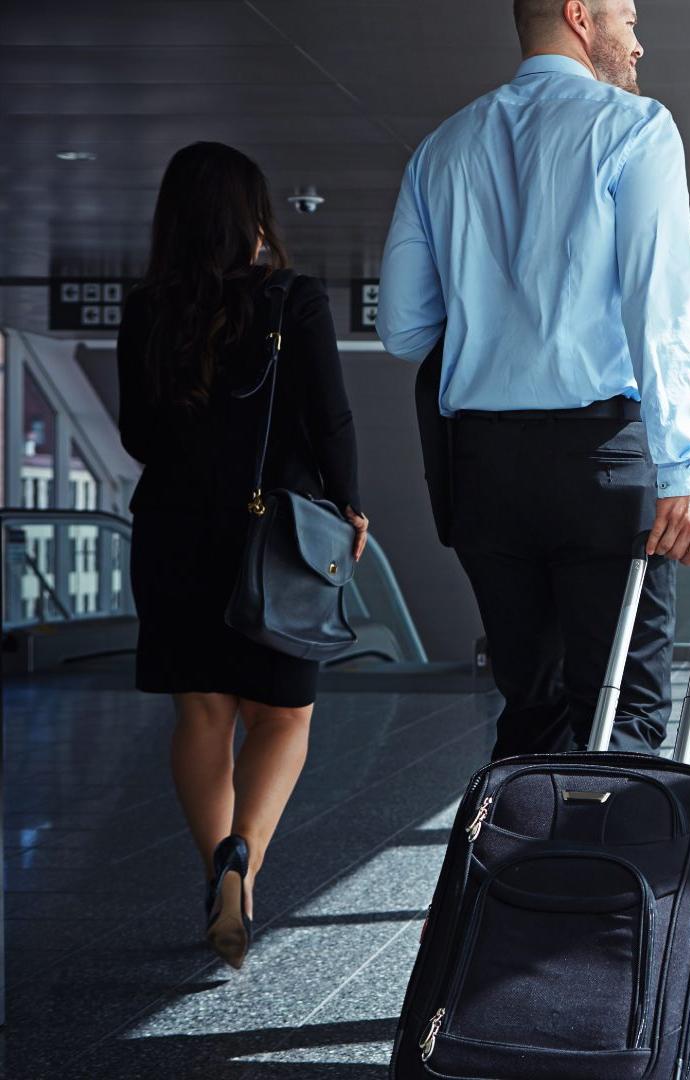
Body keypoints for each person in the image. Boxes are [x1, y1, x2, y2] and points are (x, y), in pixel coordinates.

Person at [375, 0, 690, 759]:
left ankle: (524, 873)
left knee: (531, 708)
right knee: (621, 712)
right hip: (602, 462)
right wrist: (684, 465)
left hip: (485, 474)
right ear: (579, 17)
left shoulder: (441, 147)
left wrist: (491, 314)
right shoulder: (635, 128)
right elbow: (660, 305)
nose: (638, 39)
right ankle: (611, 876)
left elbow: (403, 327)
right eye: (626, 17)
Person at [117, 142, 368, 969]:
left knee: (201, 712)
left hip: (173, 533)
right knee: (284, 715)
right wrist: (350, 501)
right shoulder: (291, 300)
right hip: (275, 538)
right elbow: (329, 417)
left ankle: (222, 870)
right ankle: (245, 860)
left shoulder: (146, 308)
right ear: (252, 217)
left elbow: (138, 437)